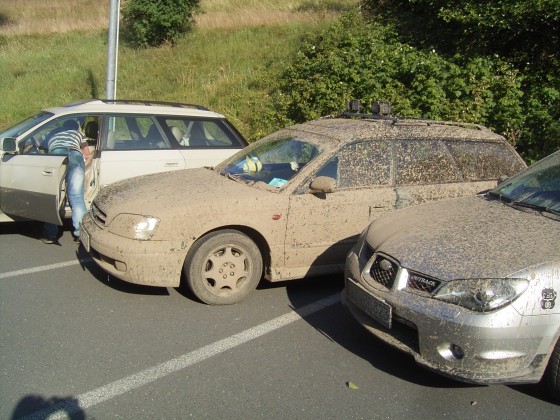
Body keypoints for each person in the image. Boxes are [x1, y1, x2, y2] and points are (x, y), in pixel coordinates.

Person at [41, 120, 91, 244]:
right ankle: (80, 234)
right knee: (76, 197)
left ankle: (50, 234)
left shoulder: (53, 133)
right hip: (75, 154)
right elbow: (87, 153)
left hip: (57, 155)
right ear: (75, 126)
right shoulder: (78, 134)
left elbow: (42, 147)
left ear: (63, 125)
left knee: (54, 195)